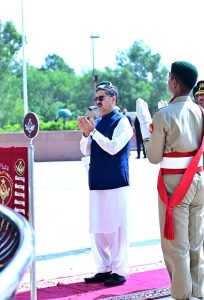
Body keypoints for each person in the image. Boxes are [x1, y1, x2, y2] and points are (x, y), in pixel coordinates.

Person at [137, 61, 204, 299]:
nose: (167, 82)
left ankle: (181, 294)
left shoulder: (163, 115)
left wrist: (147, 129)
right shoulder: (200, 111)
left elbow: (154, 157)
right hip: (197, 180)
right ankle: (198, 292)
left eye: (168, 78)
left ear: (174, 83)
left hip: (175, 185)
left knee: (176, 245)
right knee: (196, 242)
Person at [77, 80, 133, 287]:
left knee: (116, 228)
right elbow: (85, 150)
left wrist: (92, 132)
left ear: (113, 99)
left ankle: (119, 270)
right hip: (97, 180)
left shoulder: (123, 122)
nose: (98, 102)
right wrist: (85, 133)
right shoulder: (97, 122)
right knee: (98, 228)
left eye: (101, 98)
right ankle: (103, 267)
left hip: (116, 181)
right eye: (96, 99)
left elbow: (113, 147)